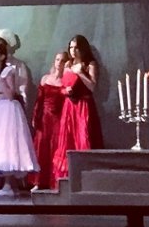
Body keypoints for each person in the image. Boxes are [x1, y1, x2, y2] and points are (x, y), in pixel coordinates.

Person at [0, 38, 38, 196]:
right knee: (1, 143)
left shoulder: (8, 71)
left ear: (2, 56)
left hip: (8, 108)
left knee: (8, 143)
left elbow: (10, 94)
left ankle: (9, 185)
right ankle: (8, 185)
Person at [52, 34, 103, 181]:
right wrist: (65, 91)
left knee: (83, 137)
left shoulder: (90, 64)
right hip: (69, 107)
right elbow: (62, 86)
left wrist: (80, 72)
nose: (73, 51)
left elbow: (92, 86)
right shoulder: (68, 64)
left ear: (83, 48)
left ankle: (87, 177)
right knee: (68, 140)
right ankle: (68, 177)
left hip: (83, 107)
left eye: (76, 47)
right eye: (71, 47)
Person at [31, 49, 68, 190]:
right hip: (45, 118)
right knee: (42, 148)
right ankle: (39, 182)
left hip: (59, 119)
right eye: (58, 59)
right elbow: (39, 100)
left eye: (63, 60)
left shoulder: (67, 81)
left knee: (57, 147)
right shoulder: (46, 78)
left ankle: (56, 181)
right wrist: (35, 116)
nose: (60, 63)